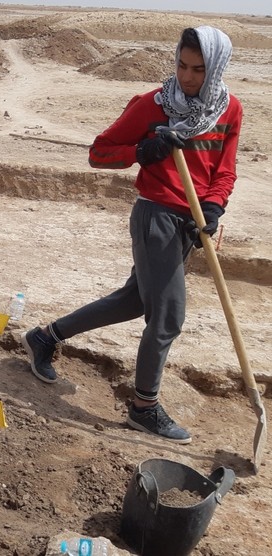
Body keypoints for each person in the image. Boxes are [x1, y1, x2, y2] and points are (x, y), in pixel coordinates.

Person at [20, 26, 240, 444]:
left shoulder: (229, 109)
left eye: (199, 69)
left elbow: (224, 170)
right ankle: (144, 408)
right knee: (168, 316)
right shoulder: (152, 106)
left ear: (217, 68)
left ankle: (45, 337)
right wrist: (142, 151)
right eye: (182, 65)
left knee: (134, 300)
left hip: (190, 222)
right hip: (155, 217)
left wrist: (213, 207)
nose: (188, 77)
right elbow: (98, 153)